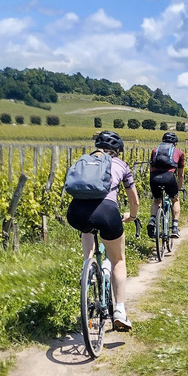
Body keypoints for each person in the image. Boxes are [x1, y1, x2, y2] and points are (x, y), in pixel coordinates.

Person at [66, 131, 139, 331]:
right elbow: (134, 200)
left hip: (76, 212)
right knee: (118, 260)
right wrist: (132, 216)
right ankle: (120, 311)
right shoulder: (121, 165)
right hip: (107, 212)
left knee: (87, 227)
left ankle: (87, 266)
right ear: (117, 150)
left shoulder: (84, 161)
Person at [147, 131, 185, 238]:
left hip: (154, 178)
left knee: (157, 201)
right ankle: (174, 228)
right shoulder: (179, 152)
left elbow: (151, 169)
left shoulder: (155, 151)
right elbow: (180, 174)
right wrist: (179, 187)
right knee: (175, 200)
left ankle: (152, 220)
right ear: (175, 143)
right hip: (169, 178)